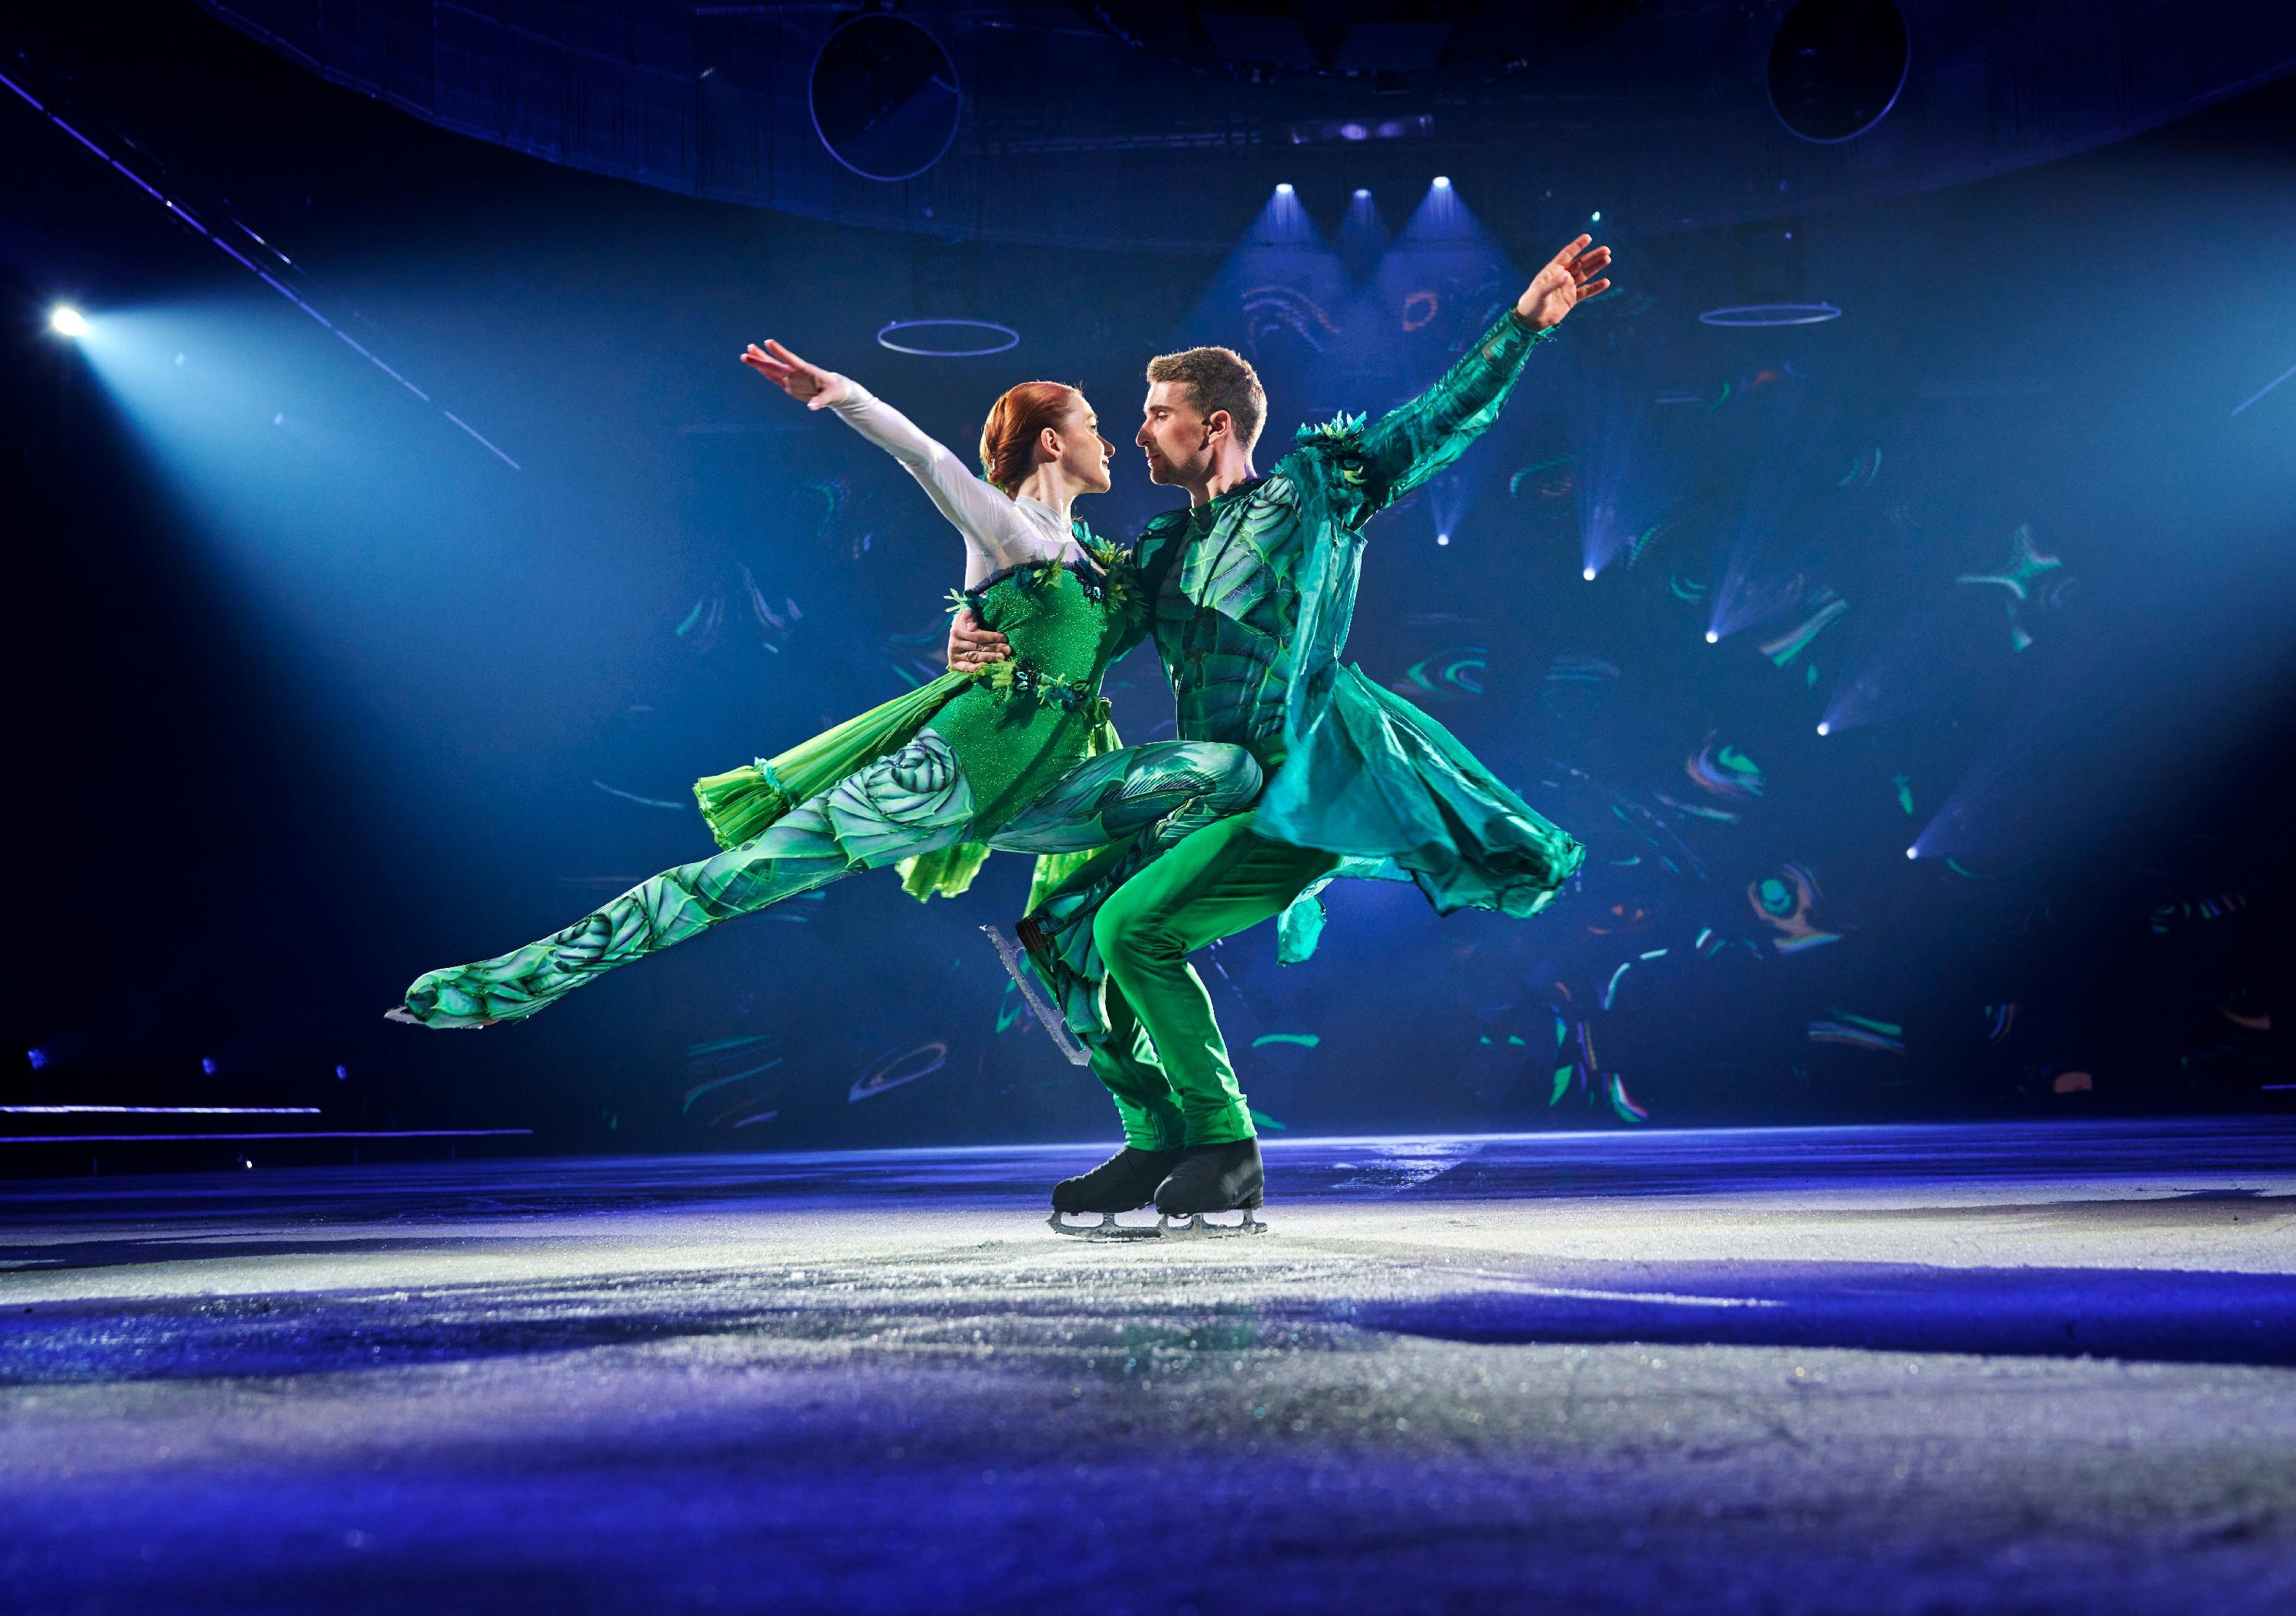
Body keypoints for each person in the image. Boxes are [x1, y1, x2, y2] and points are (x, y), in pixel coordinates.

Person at [950, 235, 1613, 1234]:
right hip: (1204, 797)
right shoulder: (1165, 546)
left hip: (1295, 788)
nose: (1137, 433)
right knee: (1067, 935)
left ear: (1213, 427)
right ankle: (1161, 1139)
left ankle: (1226, 1148)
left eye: (1157, 416)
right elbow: (1075, 629)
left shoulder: (1314, 493)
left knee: (1137, 931)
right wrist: (981, 634)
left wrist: (1520, 329)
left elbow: (1432, 426)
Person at [389, 342, 1263, 1031]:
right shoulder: (1010, 531)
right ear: (1050, 441)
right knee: (736, 881)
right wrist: (840, 392)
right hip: (950, 775)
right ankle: (514, 981)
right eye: (1095, 425)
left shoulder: (1097, 562)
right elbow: (924, 456)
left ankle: (1069, 936)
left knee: (1223, 773)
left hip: (1042, 791)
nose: (1111, 442)